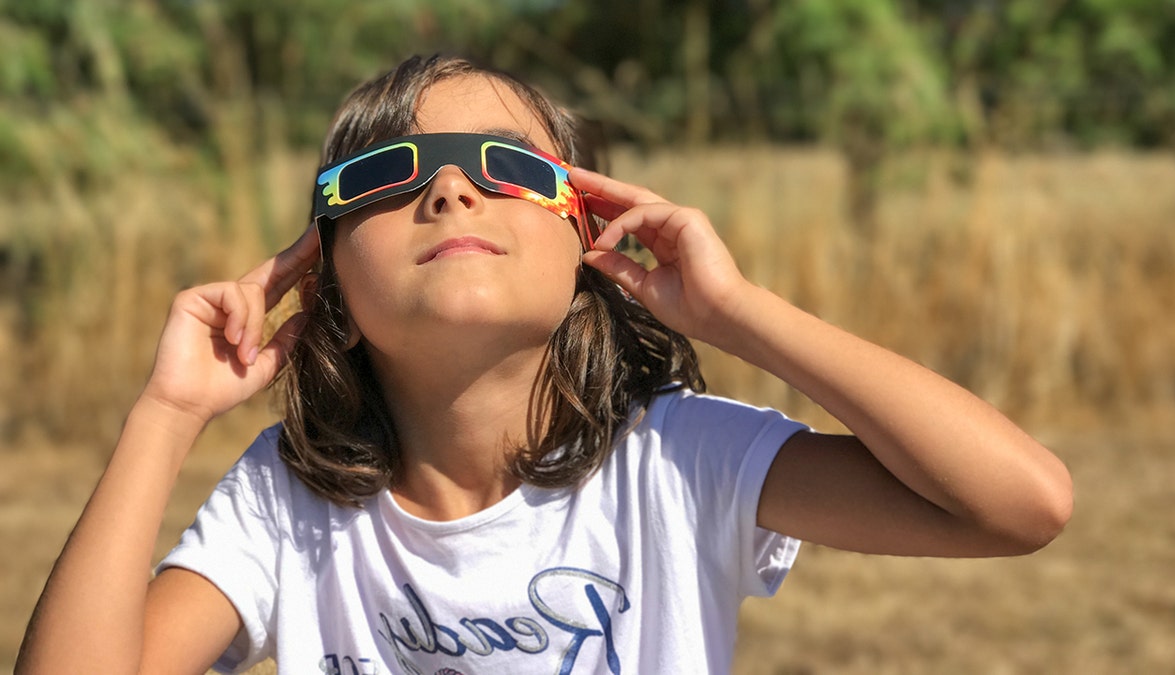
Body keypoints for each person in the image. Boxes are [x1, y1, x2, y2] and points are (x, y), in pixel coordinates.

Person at [15, 54, 1073, 674]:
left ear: (589, 244)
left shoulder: (676, 463)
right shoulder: (290, 501)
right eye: (389, 177)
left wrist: (737, 314)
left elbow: (1019, 506)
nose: (451, 193)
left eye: (508, 168)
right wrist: (165, 414)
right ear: (324, 278)